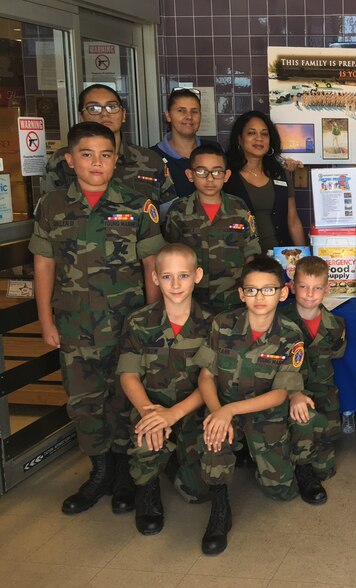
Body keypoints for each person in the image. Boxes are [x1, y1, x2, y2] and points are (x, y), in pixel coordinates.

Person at [29, 121, 165, 515]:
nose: (97, 163)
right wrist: (45, 321)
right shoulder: (53, 205)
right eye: (87, 155)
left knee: (125, 400)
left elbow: (150, 264)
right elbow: (43, 265)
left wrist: (151, 321)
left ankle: (125, 476)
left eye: (105, 155)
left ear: (115, 160)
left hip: (127, 325)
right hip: (74, 326)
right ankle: (99, 472)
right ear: (70, 160)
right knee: (85, 402)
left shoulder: (137, 203)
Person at [194, 255, 320, 555]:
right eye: (251, 290)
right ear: (241, 293)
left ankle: (262, 457)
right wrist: (217, 413)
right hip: (222, 407)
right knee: (209, 449)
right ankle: (220, 509)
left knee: (280, 492)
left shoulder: (290, 333)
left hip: (265, 414)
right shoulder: (222, 323)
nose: (259, 297)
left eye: (268, 289)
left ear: (283, 292)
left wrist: (229, 411)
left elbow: (279, 395)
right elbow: (205, 376)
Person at [117, 243, 213, 535]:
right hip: (151, 407)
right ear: (155, 278)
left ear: (197, 276)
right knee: (147, 439)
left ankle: (172, 460)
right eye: (167, 276)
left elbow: (211, 380)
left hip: (192, 412)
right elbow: (128, 374)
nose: (175, 284)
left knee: (197, 492)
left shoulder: (213, 325)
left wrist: (173, 415)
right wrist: (150, 414)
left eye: (183, 276)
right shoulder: (138, 322)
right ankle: (147, 488)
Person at [44, 84, 176, 210]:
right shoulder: (62, 160)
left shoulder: (150, 160)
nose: (105, 114)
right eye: (94, 108)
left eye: (112, 107)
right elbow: (48, 210)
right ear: (81, 116)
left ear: (123, 115)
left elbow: (168, 214)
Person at [164, 144, 261, 313]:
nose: (210, 179)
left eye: (217, 172)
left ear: (226, 175)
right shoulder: (179, 210)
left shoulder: (239, 207)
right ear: (190, 175)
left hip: (233, 300)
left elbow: (250, 254)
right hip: (190, 301)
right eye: (201, 171)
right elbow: (168, 256)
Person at [281, 256, 347, 481]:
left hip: (323, 396)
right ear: (291, 287)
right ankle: (299, 466)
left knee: (325, 470)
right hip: (287, 394)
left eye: (317, 288)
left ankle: (309, 462)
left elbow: (338, 352)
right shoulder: (279, 322)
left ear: (326, 289)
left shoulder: (335, 325)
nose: (310, 294)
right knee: (287, 465)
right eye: (303, 287)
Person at [224, 110, 306, 251]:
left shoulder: (280, 174)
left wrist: (304, 257)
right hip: (242, 260)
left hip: (281, 257)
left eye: (264, 134)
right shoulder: (227, 176)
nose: (259, 138)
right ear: (239, 139)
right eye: (251, 133)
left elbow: (293, 221)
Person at [151, 88, 222, 204]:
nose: (189, 116)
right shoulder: (152, 157)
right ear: (168, 115)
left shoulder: (215, 150)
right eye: (181, 111)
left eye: (194, 111)